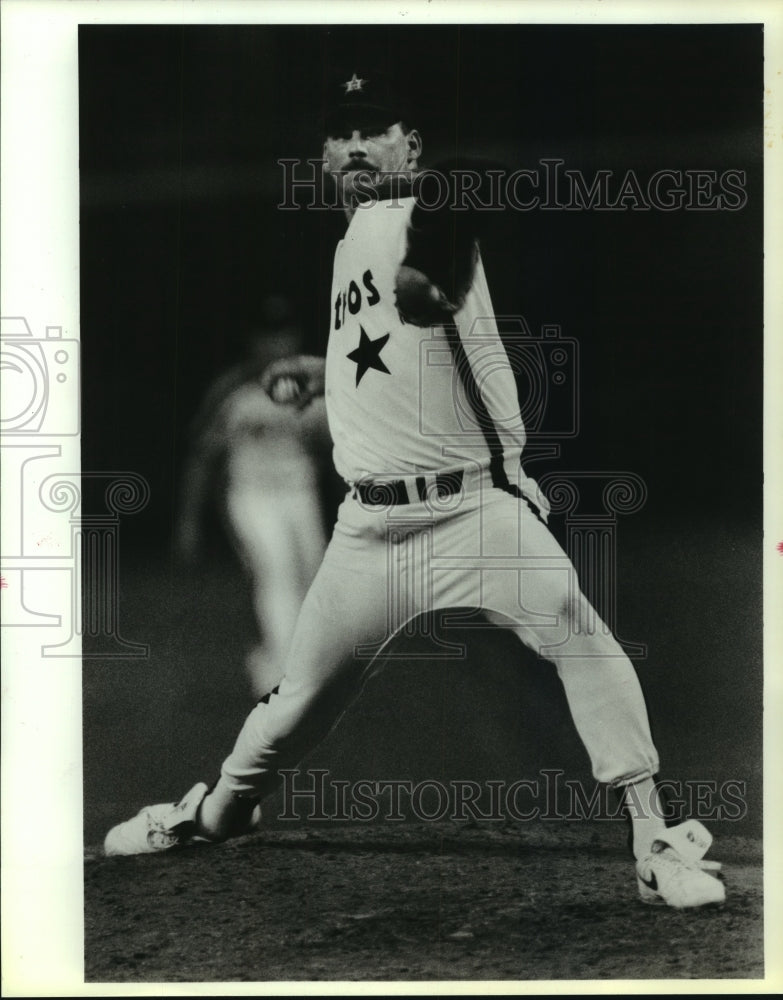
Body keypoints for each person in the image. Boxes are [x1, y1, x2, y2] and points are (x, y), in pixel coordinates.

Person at [105, 71, 726, 909]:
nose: (356, 145)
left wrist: (431, 263)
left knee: (577, 631)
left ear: (411, 147)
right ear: (323, 157)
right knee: (292, 708)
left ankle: (651, 834)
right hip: (369, 533)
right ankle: (215, 812)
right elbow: (386, 356)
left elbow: (468, 185)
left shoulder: (422, 207)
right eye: (341, 133)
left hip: (473, 508)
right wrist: (318, 374)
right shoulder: (348, 243)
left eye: (375, 129)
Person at [175, 297, 332, 697]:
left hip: (300, 494)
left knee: (311, 577)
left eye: (283, 333)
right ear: (252, 340)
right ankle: (284, 676)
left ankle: (271, 659)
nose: (276, 343)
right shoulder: (232, 389)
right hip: (251, 496)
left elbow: (336, 452)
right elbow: (202, 458)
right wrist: (189, 521)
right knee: (276, 572)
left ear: (295, 336)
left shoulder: (315, 387)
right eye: (267, 334)